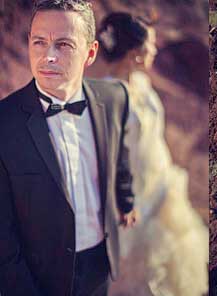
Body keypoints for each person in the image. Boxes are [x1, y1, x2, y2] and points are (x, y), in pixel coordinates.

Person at [0, 1, 138, 295]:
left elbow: (120, 157)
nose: (48, 57)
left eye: (63, 45)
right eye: (40, 42)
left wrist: (126, 199)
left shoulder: (115, 98)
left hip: (99, 264)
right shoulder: (4, 122)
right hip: (36, 277)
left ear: (90, 53)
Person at [96, 12, 208, 296]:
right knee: (141, 276)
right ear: (134, 52)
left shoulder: (142, 85)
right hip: (134, 202)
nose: (155, 49)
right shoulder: (106, 99)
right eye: (150, 44)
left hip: (162, 187)